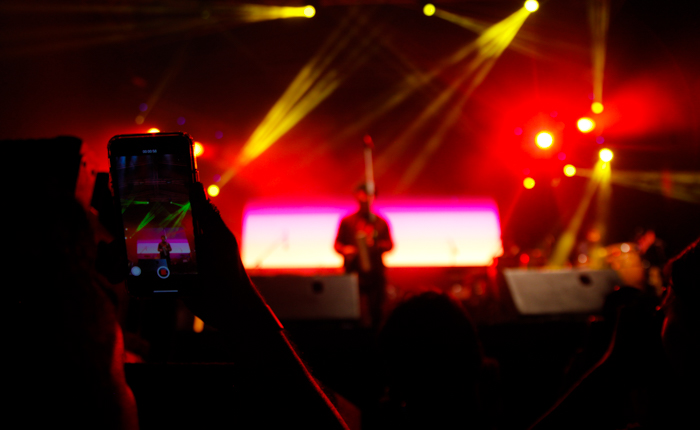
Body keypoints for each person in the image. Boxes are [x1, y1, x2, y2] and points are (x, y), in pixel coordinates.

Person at [334, 184, 393, 329]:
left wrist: (375, 245)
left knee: (376, 310)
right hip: (354, 271)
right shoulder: (348, 221)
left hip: (375, 273)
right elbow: (337, 245)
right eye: (362, 195)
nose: (365, 199)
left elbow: (389, 245)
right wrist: (346, 250)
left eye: (369, 195)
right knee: (352, 308)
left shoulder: (380, 222)